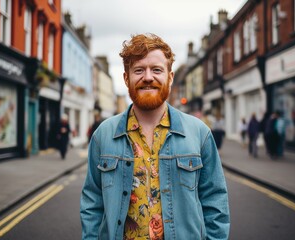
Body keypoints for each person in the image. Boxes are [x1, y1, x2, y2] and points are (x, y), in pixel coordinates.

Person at [80, 33, 230, 240]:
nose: (148, 77)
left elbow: (215, 201)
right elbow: (92, 203)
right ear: (126, 78)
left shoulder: (199, 133)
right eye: (139, 70)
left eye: (157, 70)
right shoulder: (103, 135)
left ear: (170, 77)